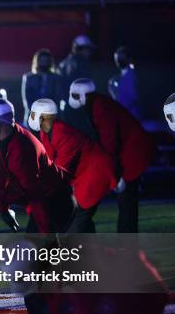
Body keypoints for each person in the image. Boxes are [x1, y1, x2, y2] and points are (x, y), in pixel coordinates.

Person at [0, 98, 74, 314]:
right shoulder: (4, 140)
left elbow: (36, 195)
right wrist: (1, 208)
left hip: (54, 204)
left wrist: (45, 234)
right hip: (48, 202)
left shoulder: (21, 146)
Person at [68, 78, 155, 233]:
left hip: (132, 154)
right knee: (126, 201)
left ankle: (126, 244)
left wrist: (114, 171)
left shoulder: (99, 107)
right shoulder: (97, 104)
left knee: (126, 200)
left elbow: (109, 141)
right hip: (130, 152)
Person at [27, 99, 117, 233]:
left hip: (95, 173)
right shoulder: (46, 132)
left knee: (78, 222)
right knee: (80, 219)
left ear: (44, 116)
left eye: (33, 114)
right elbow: (48, 162)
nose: (31, 117)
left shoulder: (65, 136)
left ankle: (85, 251)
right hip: (84, 175)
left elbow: (59, 172)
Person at [59, 35, 97, 136]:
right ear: (79, 49)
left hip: (67, 106)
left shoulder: (64, 62)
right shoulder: (81, 63)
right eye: (87, 49)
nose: (90, 52)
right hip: (79, 107)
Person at [21, 49, 65, 125]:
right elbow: (27, 100)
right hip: (33, 118)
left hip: (51, 117)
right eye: (42, 61)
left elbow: (58, 97)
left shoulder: (56, 78)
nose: (44, 63)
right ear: (37, 62)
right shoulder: (29, 78)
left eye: (46, 61)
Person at [108, 46, 141, 120]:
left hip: (130, 115)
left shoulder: (131, 75)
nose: (118, 60)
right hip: (123, 114)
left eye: (121, 57)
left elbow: (133, 97)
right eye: (117, 58)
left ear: (128, 58)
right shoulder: (120, 77)